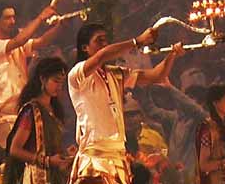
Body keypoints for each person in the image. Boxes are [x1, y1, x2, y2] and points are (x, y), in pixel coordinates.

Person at [68, 23, 184, 184]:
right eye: (99, 40)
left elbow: (156, 75)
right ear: (84, 47)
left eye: (105, 40)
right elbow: (101, 56)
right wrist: (137, 41)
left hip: (118, 156)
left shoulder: (116, 74)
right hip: (94, 157)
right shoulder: (77, 74)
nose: (104, 44)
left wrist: (172, 55)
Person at [0, 3, 61, 147]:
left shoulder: (16, 45)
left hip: (24, 110)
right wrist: (40, 18)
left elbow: (42, 41)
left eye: (13, 17)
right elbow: (19, 40)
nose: (12, 22)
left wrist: (60, 25)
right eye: (7, 18)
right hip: (7, 116)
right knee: (10, 160)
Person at [4, 57, 72, 184]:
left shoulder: (54, 110)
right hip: (35, 176)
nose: (59, 87)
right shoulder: (32, 111)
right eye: (56, 81)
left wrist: (65, 154)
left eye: (62, 83)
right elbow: (15, 149)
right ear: (42, 79)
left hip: (54, 176)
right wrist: (47, 161)